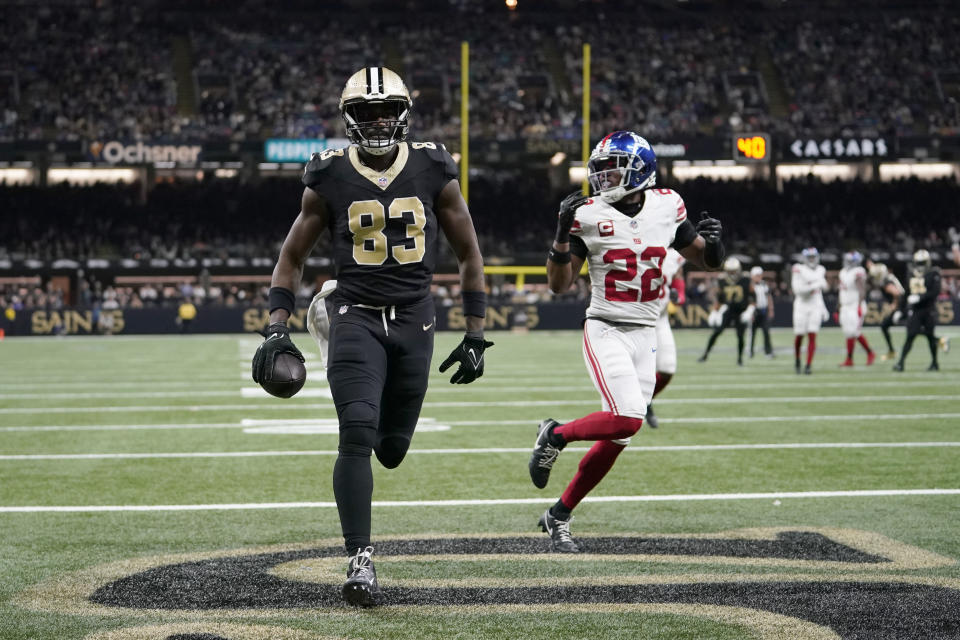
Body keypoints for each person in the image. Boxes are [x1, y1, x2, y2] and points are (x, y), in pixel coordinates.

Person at [251, 66, 492, 607]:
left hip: (415, 316)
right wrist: (274, 325)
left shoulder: (433, 165)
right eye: (365, 111)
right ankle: (360, 559)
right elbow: (291, 256)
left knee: (392, 450)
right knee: (357, 431)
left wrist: (476, 334)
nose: (378, 120)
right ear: (349, 117)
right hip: (354, 312)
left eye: (386, 110)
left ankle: (376, 402)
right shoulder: (330, 174)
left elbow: (469, 253)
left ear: (405, 113)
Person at [528, 130, 724, 552]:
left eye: (612, 170)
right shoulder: (587, 215)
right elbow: (559, 285)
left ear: (641, 170)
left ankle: (558, 514)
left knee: (619, 436)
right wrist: (561, 235)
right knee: (630, 417)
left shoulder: (668, 205)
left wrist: (717, 246)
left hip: (647, 331)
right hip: (607, 327)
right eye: (599, 171)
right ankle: (555, 434)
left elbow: (702, 256)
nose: (604, 179)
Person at [645, 248, 686, 429]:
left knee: (667, 368)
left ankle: (646, 401)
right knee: (637, 373)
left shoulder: (672, 254)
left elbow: (677, 275)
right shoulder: (633, 244)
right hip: (634, 321)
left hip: (660, 320)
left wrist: (679, 294)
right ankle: (637, 406)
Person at [894, 249, 947, 371]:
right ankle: (901, 363)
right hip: (916, 311)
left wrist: (920, 297)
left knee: (929, 336)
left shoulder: (934, 273)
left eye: (922, 262)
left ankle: (935, 363)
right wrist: (900, 310)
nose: (920, 265)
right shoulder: (911, 273)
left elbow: (935, 291)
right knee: (910, 335)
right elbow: (907, 293)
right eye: (919, 262)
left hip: (928, 309)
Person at [697, 257, 754, 366]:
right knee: (716, 332)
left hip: (741, 311)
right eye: (730, 271)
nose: (732, 273)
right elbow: (720, 299)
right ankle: (705, 354)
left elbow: (753, 297)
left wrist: (749, 310)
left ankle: (740, 359)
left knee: (740, 335)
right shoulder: (722, 280)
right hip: (728, 310)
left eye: (734, 271)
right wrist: (715, 312)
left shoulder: (746, 279)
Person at [791, 247, 827, 375]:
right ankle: (797, 359)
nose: (812, 259)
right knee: (799, 335)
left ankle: (808, 364)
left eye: (813, 257)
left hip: (815, 305)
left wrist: (823, 308)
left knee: (812, 335)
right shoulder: (798, 269)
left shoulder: (821, 270)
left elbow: (821, 292)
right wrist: (815, 285)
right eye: (809, 257)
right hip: (801, 305)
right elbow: (798, 290)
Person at [837, 251, 875, 367]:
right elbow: (842, 291)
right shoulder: (843, 272)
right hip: (845, 306)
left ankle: (870, 353)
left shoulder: (859, 272)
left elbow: (862, 290)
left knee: (855, 332)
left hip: (854, 306)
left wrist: (859, 306)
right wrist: (838, 308)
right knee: (848, 333)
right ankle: (849, 359)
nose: (848, 262)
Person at [868, 262, 904, 361]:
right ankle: (891, 351)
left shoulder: (886, 282)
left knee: (913, 330)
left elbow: (897, 293)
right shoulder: (888, 277)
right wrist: (870, 265)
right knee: (885, 326)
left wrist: (895, 305)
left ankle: (938, 340)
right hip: (904, 305)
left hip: (902, 307)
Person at [748, 265, 774, 358]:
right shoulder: (750, 285)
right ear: (752, 276)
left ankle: (768, 352)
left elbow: (769, 297)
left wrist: (771, 309)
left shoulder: (764, 284)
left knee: (766, 331)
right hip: (754, 312)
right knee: (752, 333)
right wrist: (749, 312)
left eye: (760, 275)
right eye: (757, 275)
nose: (759, 277)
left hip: (763, 311)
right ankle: (750, 351)